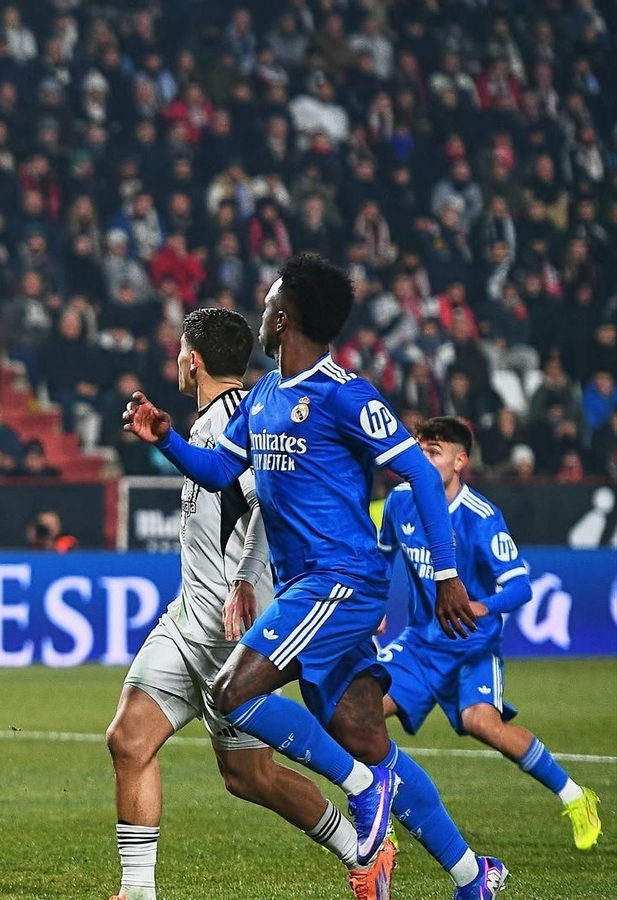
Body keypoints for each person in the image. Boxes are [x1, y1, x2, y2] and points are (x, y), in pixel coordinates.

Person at [122, 254, 507, 900]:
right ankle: (473, 876)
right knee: (371, 742)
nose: (262, 308)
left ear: (284, 318)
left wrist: (447, 575)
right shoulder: (264, 396)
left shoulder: (345, 394)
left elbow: (417, 472)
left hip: (340, 580)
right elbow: (219, 474)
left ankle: (361, 789)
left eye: (270, 300)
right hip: (307, 587)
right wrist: (165, 439)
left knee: (230, 694)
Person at [106, 308, 396, 900]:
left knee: (250, 776)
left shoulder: (241, 418)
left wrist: (243, 577)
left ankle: (365, 850)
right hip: (188, 620)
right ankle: (137, 892)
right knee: (128, 739)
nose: (176, 362)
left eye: (180, 352)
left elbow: (270, 499)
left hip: (233, 631)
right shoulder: (211, 420)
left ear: (193, 360)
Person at [379, 416, 602, 850]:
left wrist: (483, 606)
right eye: (419, 451)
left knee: (482, 723)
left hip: (471, 646)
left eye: (434, 453)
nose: (422, 460)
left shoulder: (481, 517)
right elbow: (382, 555)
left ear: (460, 461)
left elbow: (520, 586)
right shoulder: (400, 500)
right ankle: (379, 817)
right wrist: (375, 609)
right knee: (359, 713)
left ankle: (576, 797)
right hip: (420, 644)